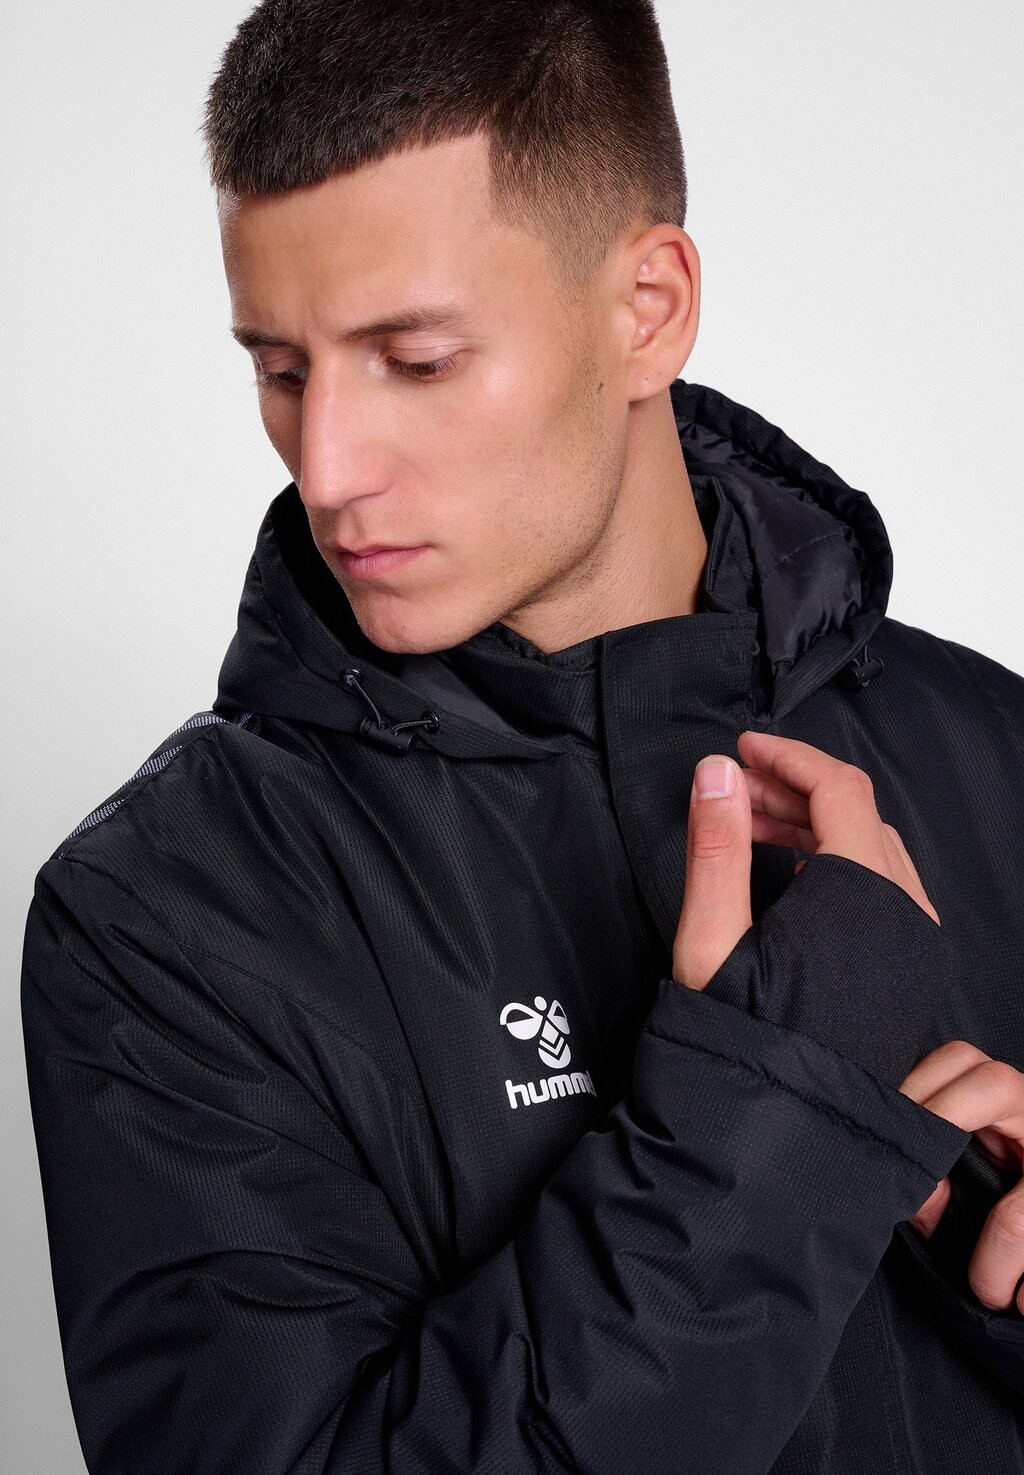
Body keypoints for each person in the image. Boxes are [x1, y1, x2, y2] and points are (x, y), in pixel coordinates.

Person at [19, 2, 1024, 1471]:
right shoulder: (163, 915)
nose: (326, 467)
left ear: (648, 310)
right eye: (281, 369)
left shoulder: (994, 752)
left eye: (416, 360)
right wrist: (779, 1110)